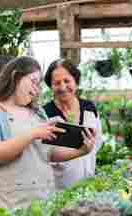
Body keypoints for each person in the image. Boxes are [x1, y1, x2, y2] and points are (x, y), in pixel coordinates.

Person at [0, 56, 95, 215]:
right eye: (33, 81)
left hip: (41, 204)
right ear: (15, 77)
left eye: (38, 85)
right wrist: (34, 133)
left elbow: (47, 153)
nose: (36, 89)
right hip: (4, 204)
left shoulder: (37, 113)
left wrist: (81, 150)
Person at [43, 59, 103, 190]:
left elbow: (97, 142)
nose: (63, 87)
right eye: (57, 83)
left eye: (67, 81)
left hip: (89, 185)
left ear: (75, 81)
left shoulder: (89, 108)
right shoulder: (46, 114)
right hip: (58, 190)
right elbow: (45, 154)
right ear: (50, 86)